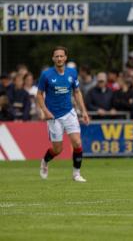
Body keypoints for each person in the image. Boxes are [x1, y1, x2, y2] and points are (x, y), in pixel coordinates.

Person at [37, 46, 89, 182]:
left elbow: (77, 92)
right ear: (53, 58)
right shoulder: (46, 75)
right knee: (57, 149)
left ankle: (76, 174)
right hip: (53, 116)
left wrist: (83, 111)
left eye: (61, 56)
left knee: (77, 143)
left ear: (65, 58)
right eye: (57, 56)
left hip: (69, 112)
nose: (59, 58)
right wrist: (45, 111)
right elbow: (39, 95)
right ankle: (44, 161)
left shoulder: (72, 72)